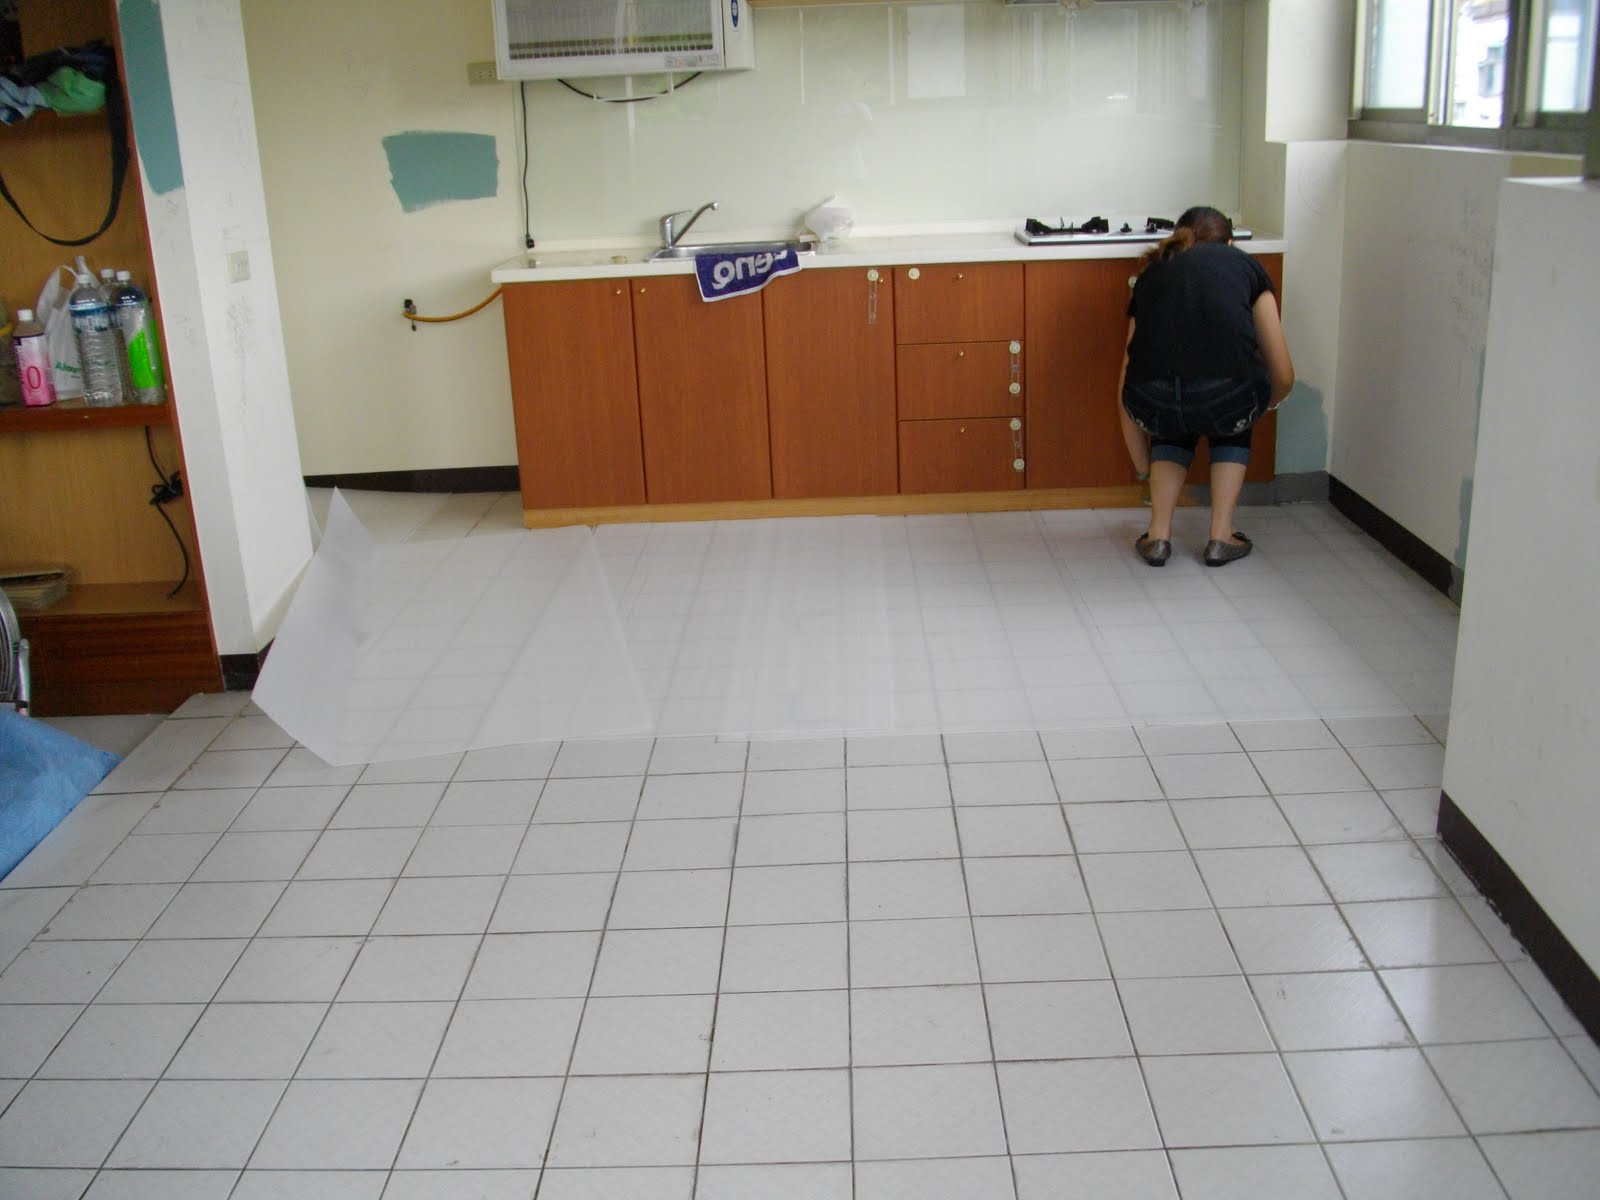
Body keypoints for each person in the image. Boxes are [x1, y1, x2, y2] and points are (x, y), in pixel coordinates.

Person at [1117, 206, 1294, 566]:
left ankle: (1157, 536)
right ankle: (1221, 536)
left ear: (1178, 239)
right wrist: (1264, 404)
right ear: (1230, 243)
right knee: (1233, 415)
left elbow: (1127, 376)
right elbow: (1283, 372)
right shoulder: (1246, 267)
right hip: (1226, 399)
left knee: (1171, 422)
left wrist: (1141, 466)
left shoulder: (1152, 272)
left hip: (1150, 400)